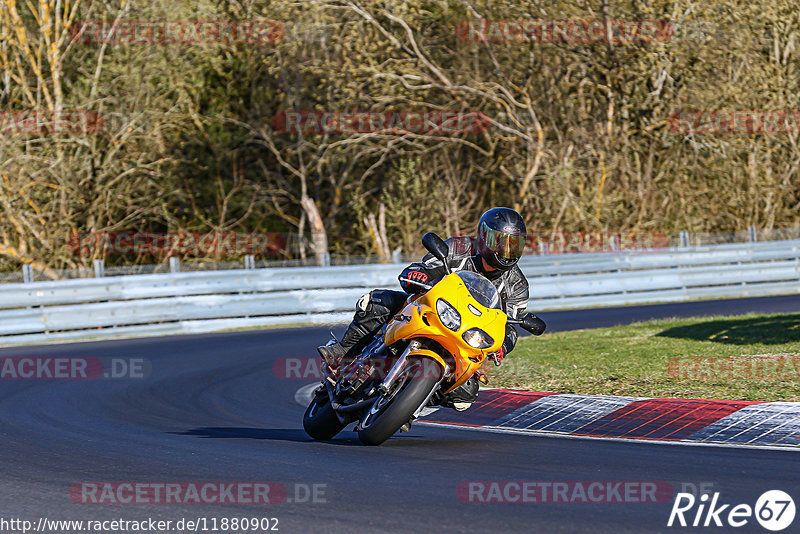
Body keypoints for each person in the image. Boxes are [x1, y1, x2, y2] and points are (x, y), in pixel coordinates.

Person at [318, 207, 543, 410]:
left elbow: (510, 325)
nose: (506, 250)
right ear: (484, 237)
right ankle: (344, 355)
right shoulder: (458, 248)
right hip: (429, 309)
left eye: (514, 244)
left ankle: (409, 403)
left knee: (465, 394)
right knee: (376, 302)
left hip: (465, 336)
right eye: (500, 241)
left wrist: (503, 346)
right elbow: (426, 268)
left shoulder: (518, 285)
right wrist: (418, 274)